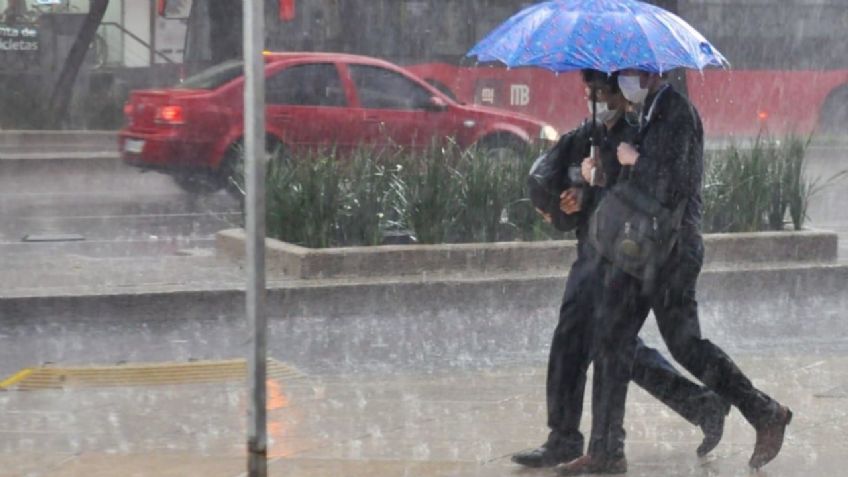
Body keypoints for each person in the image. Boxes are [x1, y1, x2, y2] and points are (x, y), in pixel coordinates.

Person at [557, 69, 792, 475]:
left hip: (674, 251)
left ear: (651, 73)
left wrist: (632, 161)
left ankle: (763, 410)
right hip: (643, 251)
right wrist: (603, 172)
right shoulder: (648, 113)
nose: (623, 82)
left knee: (686, 345)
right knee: (610, 339)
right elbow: (641, 187)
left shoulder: (676, 112)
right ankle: (606, 450)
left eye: (630, 74)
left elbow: (673, 184)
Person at [512, 70, 729, 471]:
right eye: (588, 92)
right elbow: (556, 179)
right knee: (573, 339)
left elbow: (648, 190)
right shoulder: (586, 134)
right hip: (589, 253)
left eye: (602, 91)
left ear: (618, 91)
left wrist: (604, 177)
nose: (596, 99)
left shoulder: (641, 130)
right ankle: (564, 437)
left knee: (614, 346)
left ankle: (694, 407)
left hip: (623, 255)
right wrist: (569, 198)